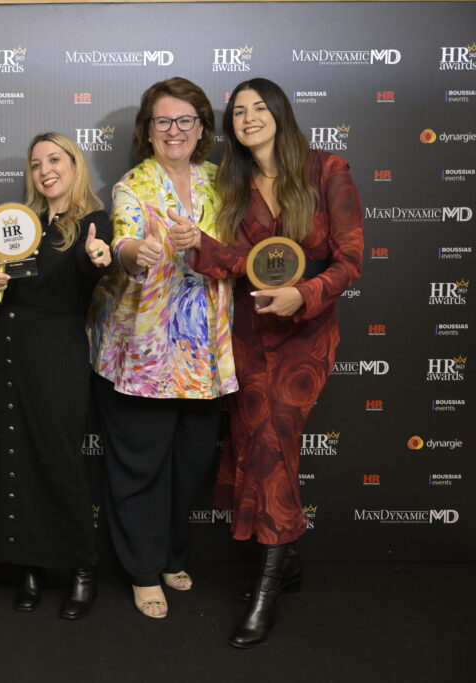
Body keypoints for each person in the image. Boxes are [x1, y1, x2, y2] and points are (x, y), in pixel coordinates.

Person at [174, 77, 363, 647]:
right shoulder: (235, 183)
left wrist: (302, 295)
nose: (249, 117)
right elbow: (239, 261)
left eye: (259, 107)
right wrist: (195, 242)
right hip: (251, 333)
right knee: (259, 442)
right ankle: (289, 561)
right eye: (238, 112)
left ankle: (265, 590)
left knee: (274, 435)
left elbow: (351, 260)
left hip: (306, 335)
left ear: (280, 112)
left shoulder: (327, 169)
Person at [87, 78, 237, 620]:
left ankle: (171, 555)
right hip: (143, 353)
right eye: (163, 121)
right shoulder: (133, 186)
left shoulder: (222, 181)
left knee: (190, 464)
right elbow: (124, 242)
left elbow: (239, 251)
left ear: (201, 128)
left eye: (185, 120)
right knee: (140, 467)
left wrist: (205, 244)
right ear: (147, 132)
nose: (174, 130)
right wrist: (138, 253)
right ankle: (143, 571)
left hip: (204, 356)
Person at [0, 132, 112, 619]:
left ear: (74, 165)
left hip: (56, 354)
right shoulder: (21, 222)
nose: (44, 170)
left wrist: (99, 260)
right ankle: (28, 567)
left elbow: (94, 263)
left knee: (59, 461)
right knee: (13, 457)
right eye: (36, 163)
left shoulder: (93, 223)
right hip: (7, 352)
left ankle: (81, 568)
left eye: (54, 159)